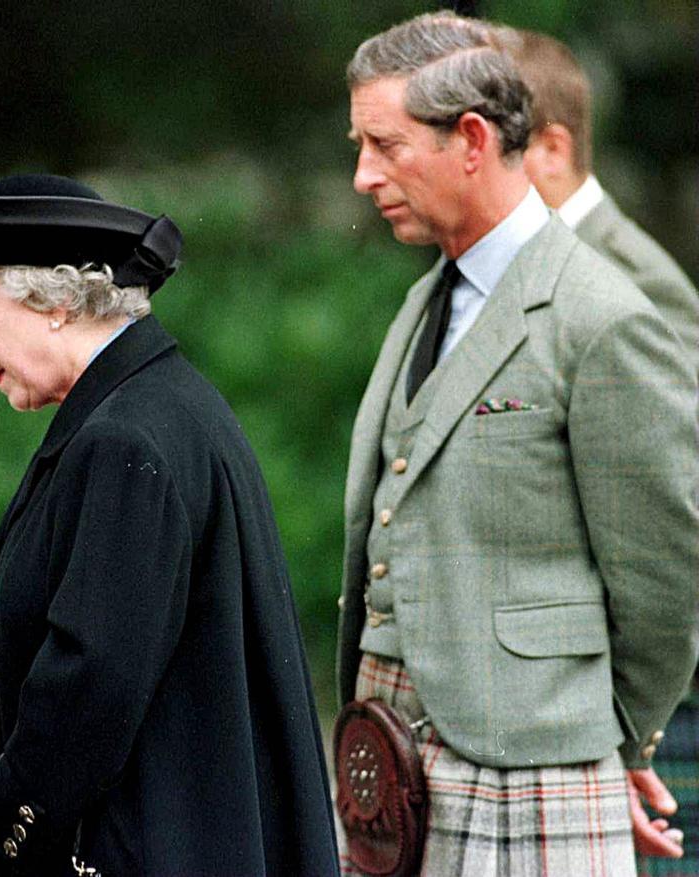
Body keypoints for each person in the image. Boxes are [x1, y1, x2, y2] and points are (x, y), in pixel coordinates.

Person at [0, 174, 340, 877]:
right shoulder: (163, 406)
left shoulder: (128, 437)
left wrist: (1, 829)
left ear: (59, 303)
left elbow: (90, 682)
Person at [340, 12, 698, 876]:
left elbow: (663, 575)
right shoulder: (431, 294)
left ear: (470, 139)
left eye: (385, 146)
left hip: (528, 770)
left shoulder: (602, 315)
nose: (361, 176)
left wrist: (600, 744)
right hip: (393, 764)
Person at [501, 27, 699, 873]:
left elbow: (666, 520)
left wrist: (626, 728)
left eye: (486, 143)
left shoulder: (637, 283)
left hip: (648, 701)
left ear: (549, 148)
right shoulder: (514, 266)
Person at [502, 27, 699, 375]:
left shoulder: (635, 282)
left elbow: (679, 421)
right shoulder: (487, 266)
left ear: (552, 150)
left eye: (479, 143)